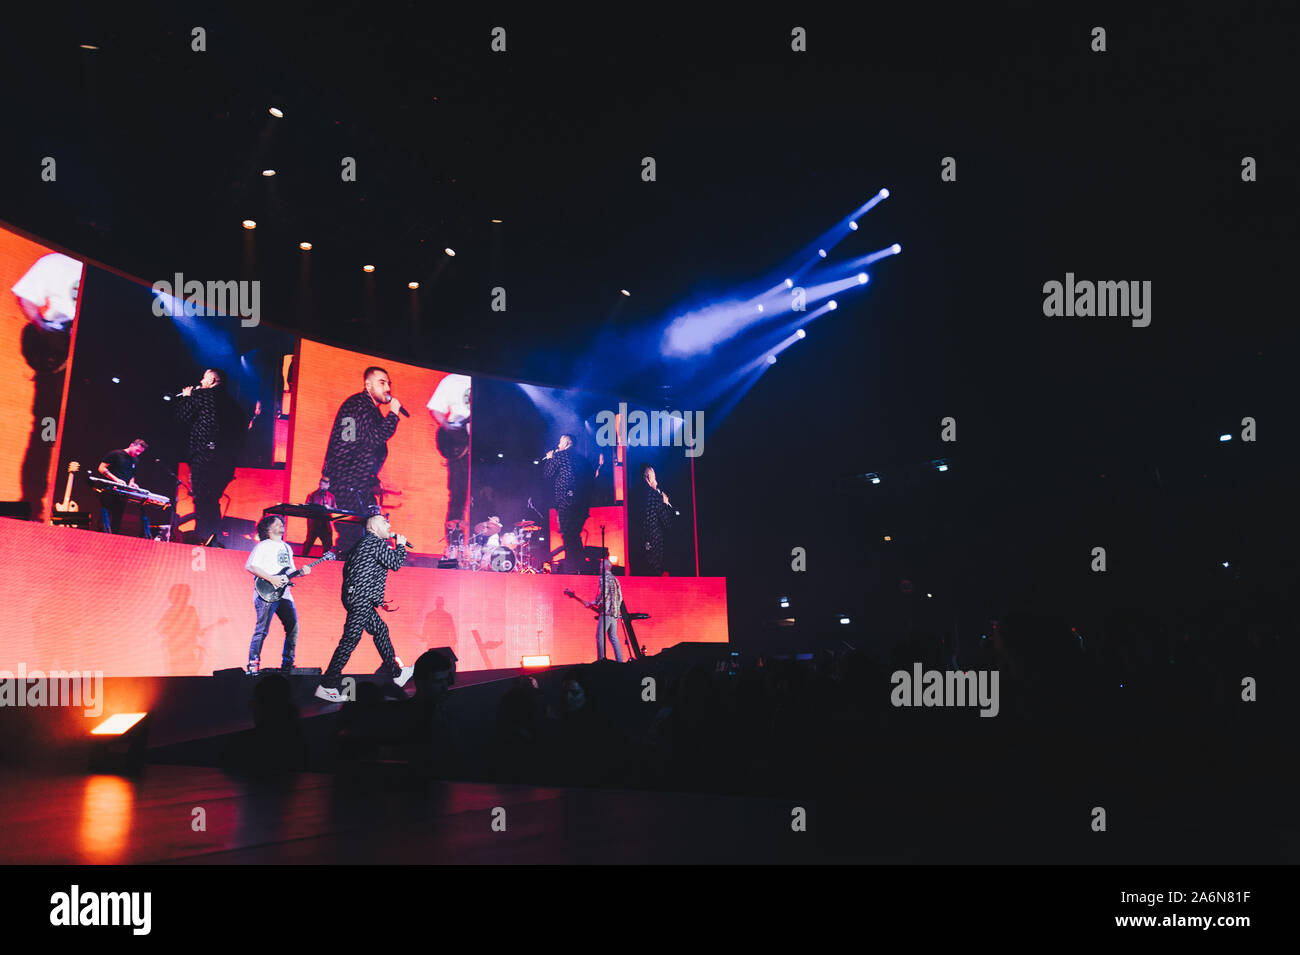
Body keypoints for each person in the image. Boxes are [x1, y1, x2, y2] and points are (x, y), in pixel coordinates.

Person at [315, 513, 413, 703]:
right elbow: (395, 563)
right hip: (360, 597)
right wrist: (400, 545)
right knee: (350, 639)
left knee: (380, 630)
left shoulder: (367, 544)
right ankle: (327, 685)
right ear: (373, 527)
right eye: (385, 522)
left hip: (359, 597)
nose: (389, 524)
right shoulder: (374, 542)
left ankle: (396, 673)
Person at [174, 367, 244, 545]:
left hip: (203, 455)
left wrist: (186, 397)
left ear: (212, 380)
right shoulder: (234, 405)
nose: (200, 382)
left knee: (202, 498)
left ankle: (203, 538)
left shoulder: (203, 396)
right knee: (212, 498)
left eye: (204, 379)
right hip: (226, 461)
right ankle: (214, 538)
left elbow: (181, 418)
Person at [244, 514, 309, 675]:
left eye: (282, 523)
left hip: (284, 593)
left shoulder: (287, 547)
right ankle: (253, 664)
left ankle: (288, 663)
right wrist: (271, 578)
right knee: (262, 630)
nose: (282, 525)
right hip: (265, 593)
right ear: (268, 528)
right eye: (278, 523)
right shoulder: (263, 546)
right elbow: (251, 566)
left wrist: (301, 572)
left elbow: (289, 571)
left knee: (293, 627)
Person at [426, 373, 471, 534]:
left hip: (484, 447)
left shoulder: (491, 382)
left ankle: (481, 549)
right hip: (459, 448)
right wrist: (450, 428)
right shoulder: (452, 380)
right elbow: (436, 409)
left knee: (484, 496)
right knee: (458, 497)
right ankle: (453, 547)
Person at [543, 434, 590, 573]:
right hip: (581, 502)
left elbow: (547, 474)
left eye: (560, 442)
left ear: (566, 443)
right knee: (574, 534)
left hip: (565, 501)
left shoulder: (560, 455)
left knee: (568, 535)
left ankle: (572, 568)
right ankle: (580, 567)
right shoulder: (582, 458)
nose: (558, 445)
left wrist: (550, 459)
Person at [96, 438, 151, 536]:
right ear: (131, 445)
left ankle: (113, 541)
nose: (138, 453)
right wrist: (116, 480)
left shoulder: (135, 460)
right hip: (109, 490)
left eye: (140, 452)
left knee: (118, 518)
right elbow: (101, 468)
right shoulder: (115, 454)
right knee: (105, 517)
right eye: (137, 450)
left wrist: (132, 483)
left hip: (123, 493)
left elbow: (132, 476)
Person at [583, 558, 624, 662]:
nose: (599, 567)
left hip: (606, 612)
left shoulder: (603, 578)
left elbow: (603, 594)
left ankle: (600, 660)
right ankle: (620, 661)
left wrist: (593, 603)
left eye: (601, 565)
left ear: (605, 567)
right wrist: (617, 611)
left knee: (599, 636)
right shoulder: (615, 579)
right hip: (614, 613)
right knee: (613, 637)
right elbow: (620, 597)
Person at [640, 463, 675, 576]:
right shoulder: (655, 496)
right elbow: (667, 522)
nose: (657, 482)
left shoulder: (638, 495)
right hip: (655, 544)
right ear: (649, 477)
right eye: (654, 477)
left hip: (642, 544)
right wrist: (665, 503)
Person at [302, 476, 337, 557]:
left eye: (325, 484)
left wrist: (329, 508)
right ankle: (302, 559)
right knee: (308, 544)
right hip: (314, 524)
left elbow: (335, 509)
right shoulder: (312, 495)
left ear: (328, 485)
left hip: (325, 525)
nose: (323, 485)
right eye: (321, 483)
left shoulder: (331, 496)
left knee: (328, 544)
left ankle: (326, 562)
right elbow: (307, 508)